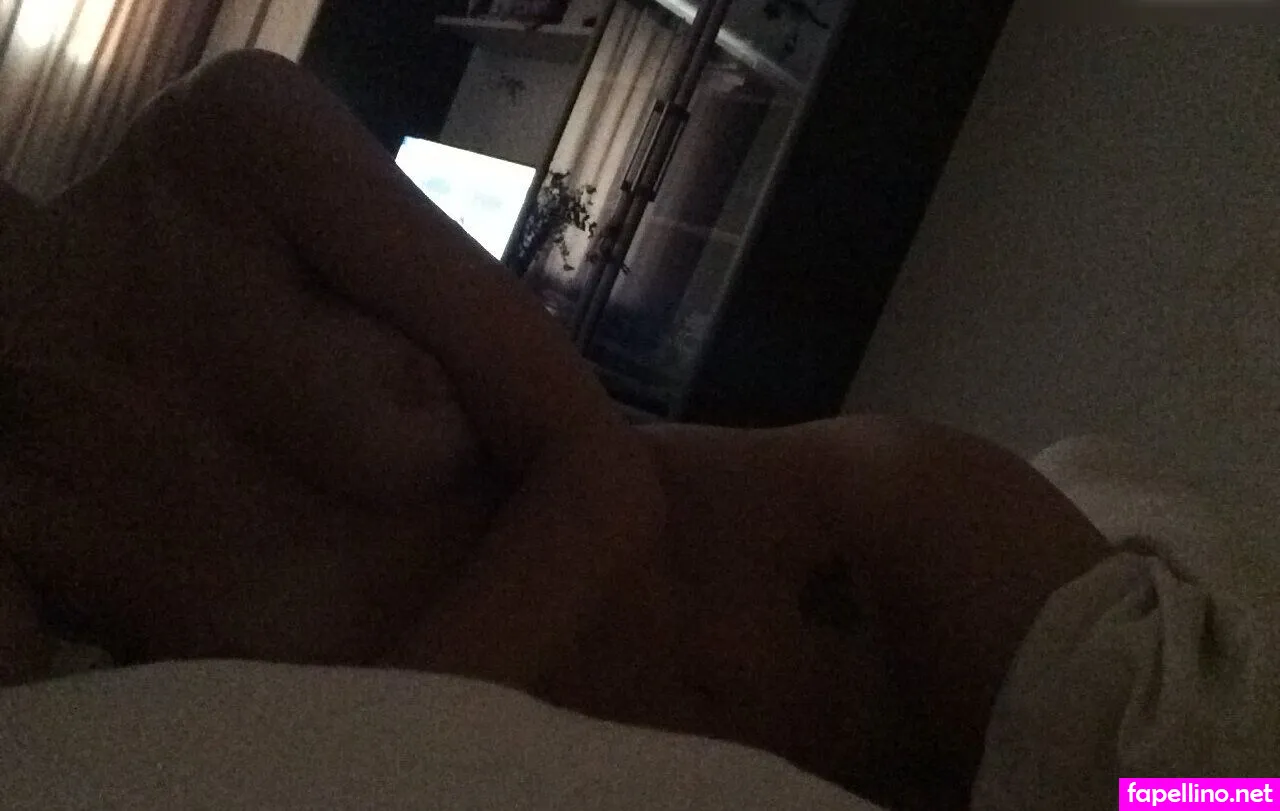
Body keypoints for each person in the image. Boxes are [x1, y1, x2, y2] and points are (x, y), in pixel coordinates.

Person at [0, 50, 1112, 808]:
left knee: (1189, 790)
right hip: (720, 777)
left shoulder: (225, 145)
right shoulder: (32, 524)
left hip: (853, 584)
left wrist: (369, 749)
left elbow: (597, 462)